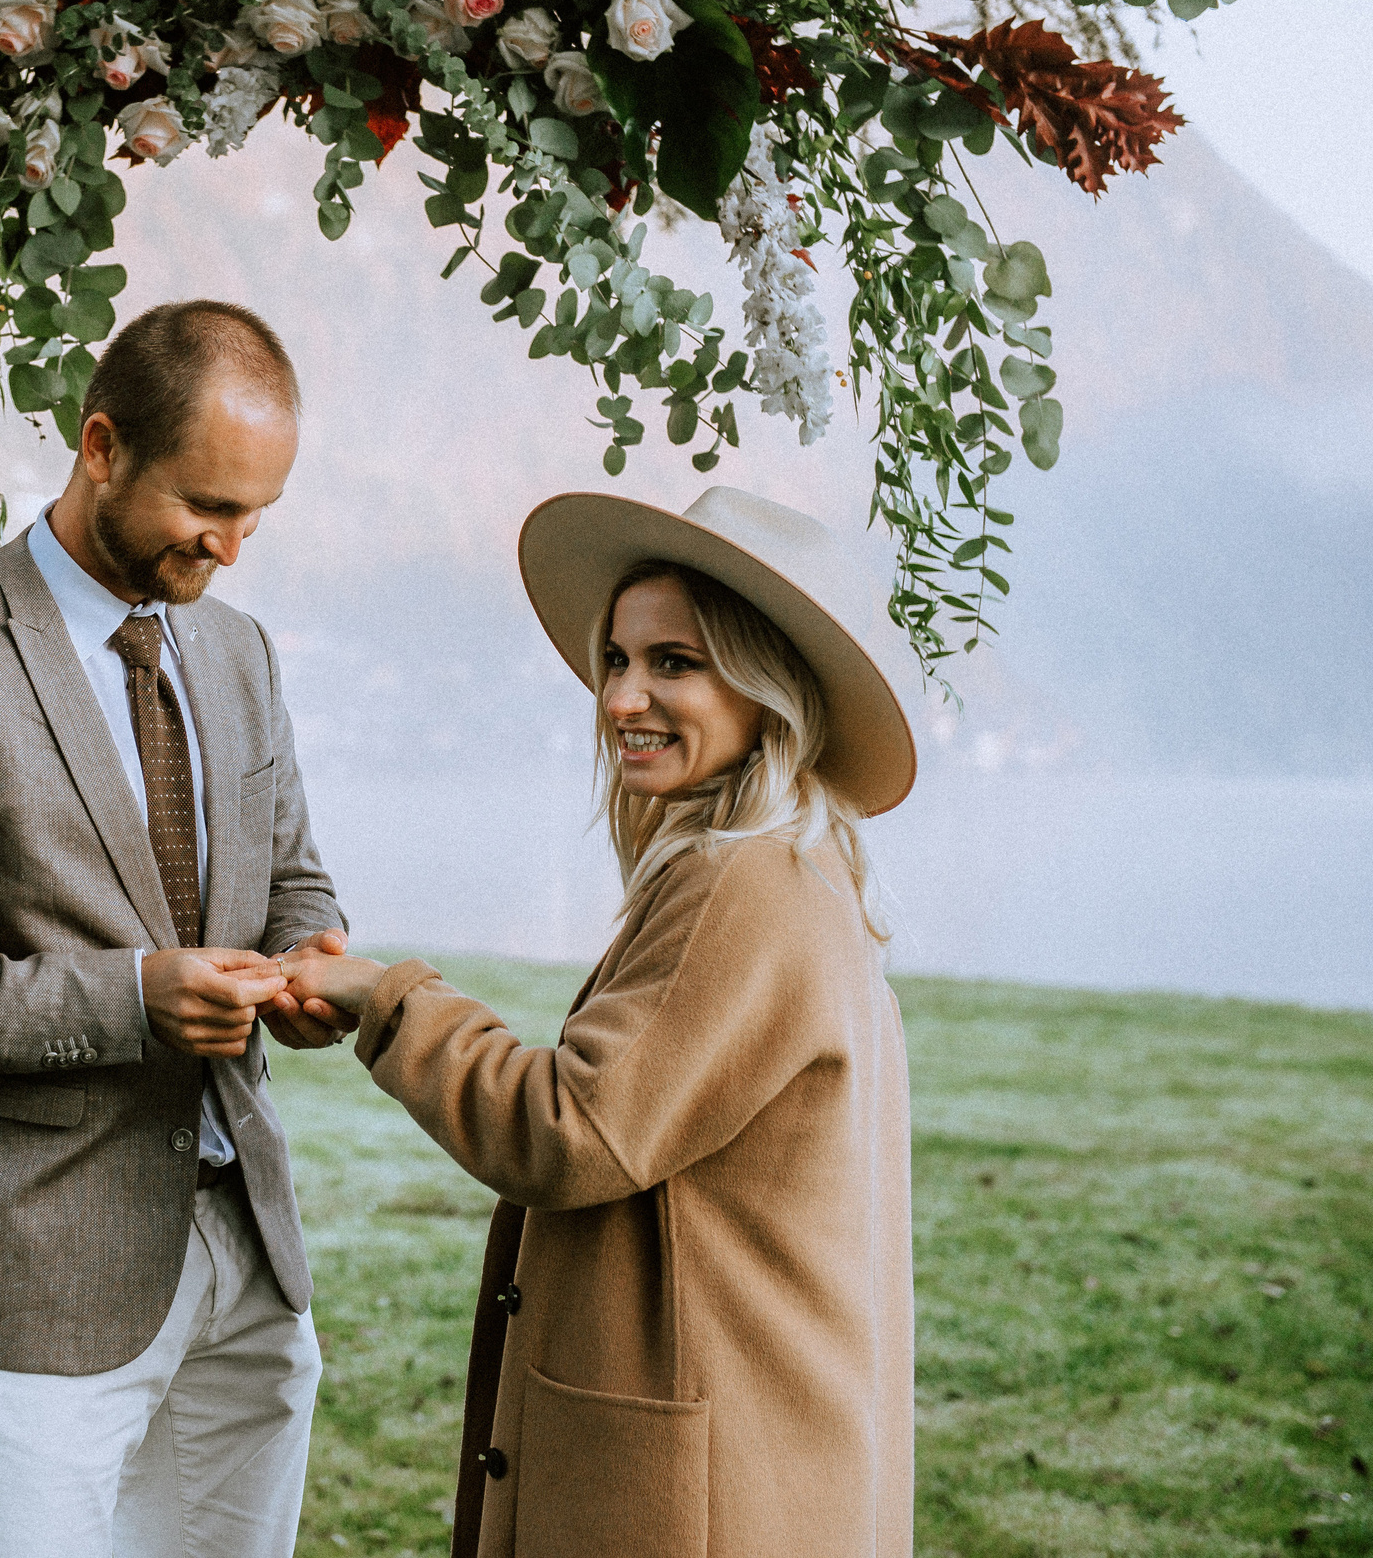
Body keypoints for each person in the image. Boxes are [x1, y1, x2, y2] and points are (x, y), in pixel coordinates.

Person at [0, 299, 358, 1558]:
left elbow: (295, 882)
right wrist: (129, 995)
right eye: (206, 505)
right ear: (100, 447)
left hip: (247, 1257)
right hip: (36, 1272)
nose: (231, 543)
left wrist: (313, 963)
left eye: (257, 512)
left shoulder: (239, 649)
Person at [281, 487, 919, 1558]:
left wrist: (379, 994)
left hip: (699, 1501)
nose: (623, 695)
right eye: (617, 659)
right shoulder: (804, 871)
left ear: (768, 686)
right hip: (765, 1459)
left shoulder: (741, 883)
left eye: (674, 661)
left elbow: (569, 1126)